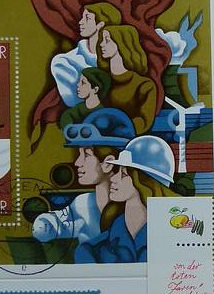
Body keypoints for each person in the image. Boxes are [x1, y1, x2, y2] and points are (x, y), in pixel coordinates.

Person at [31, 109, 136, 246]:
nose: (77, 162)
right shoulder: (81, 203)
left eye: (86, 155)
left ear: (108, 163)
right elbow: (45, 227)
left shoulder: (132, 213)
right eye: (79, 153)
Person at [75, 134, 177, 264]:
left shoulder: (170, 238)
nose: (113, 178)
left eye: (123, 174)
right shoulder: (90, 252)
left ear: (144, 182)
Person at [51, 2, 122, 108]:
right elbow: (75, 101)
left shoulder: (116, 56)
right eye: (82, 18)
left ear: (100, 25)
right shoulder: (64, 62)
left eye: (87, 18)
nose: (80, 22)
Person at [97, 24, 159, 135]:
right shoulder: (100, 82)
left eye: (107, 40)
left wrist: (117, 129)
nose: (101, 44)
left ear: (122, 43)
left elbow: (144, 121)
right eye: (101, 40)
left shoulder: (145, 85)